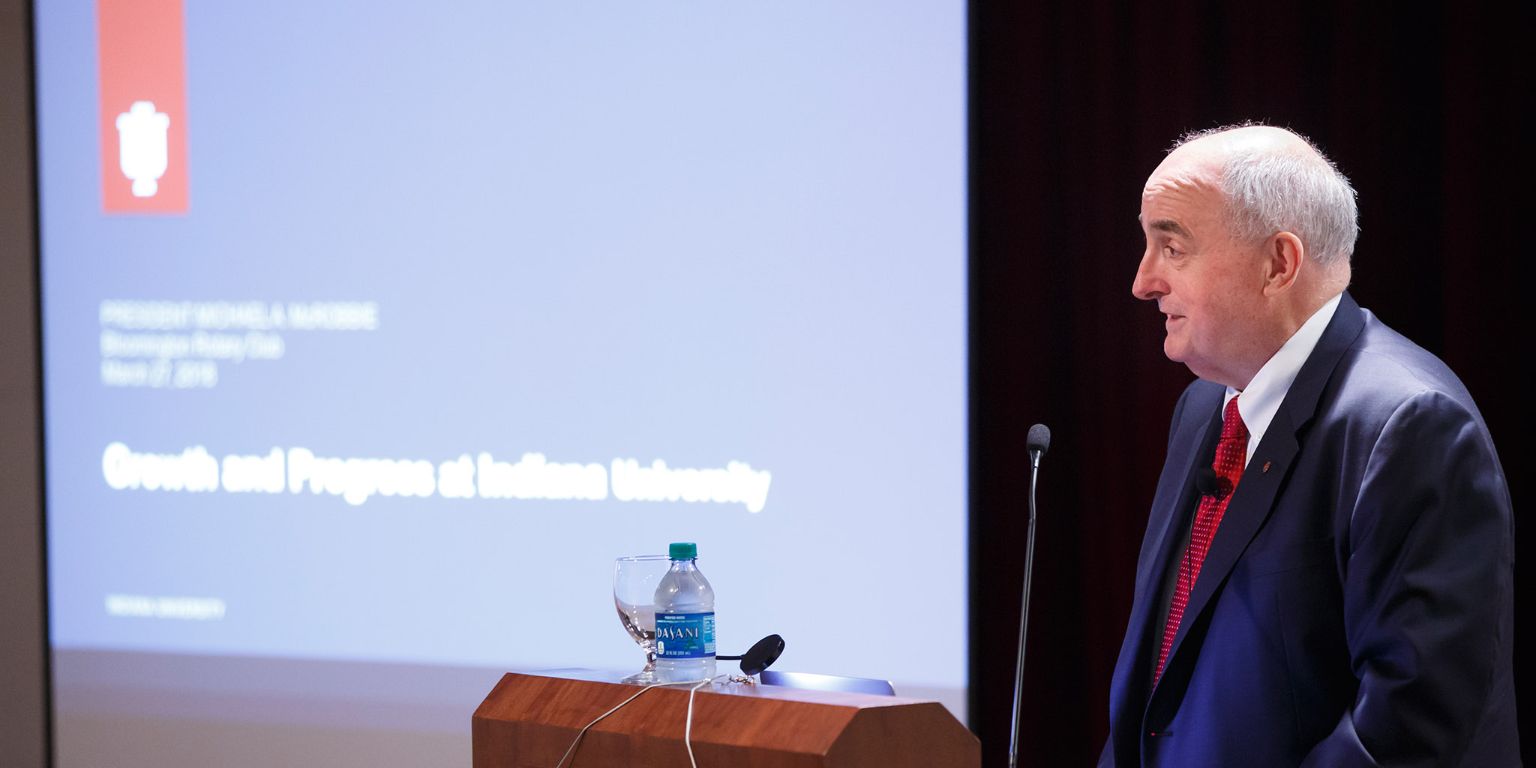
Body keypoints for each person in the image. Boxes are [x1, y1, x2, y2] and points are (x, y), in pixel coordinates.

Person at [1098, 124, 1518, 767]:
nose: (1144, 281)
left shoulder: (1409, 424)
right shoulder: (1205, 407)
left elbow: (1409, 725)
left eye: (1172, 248)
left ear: (1279, 264)